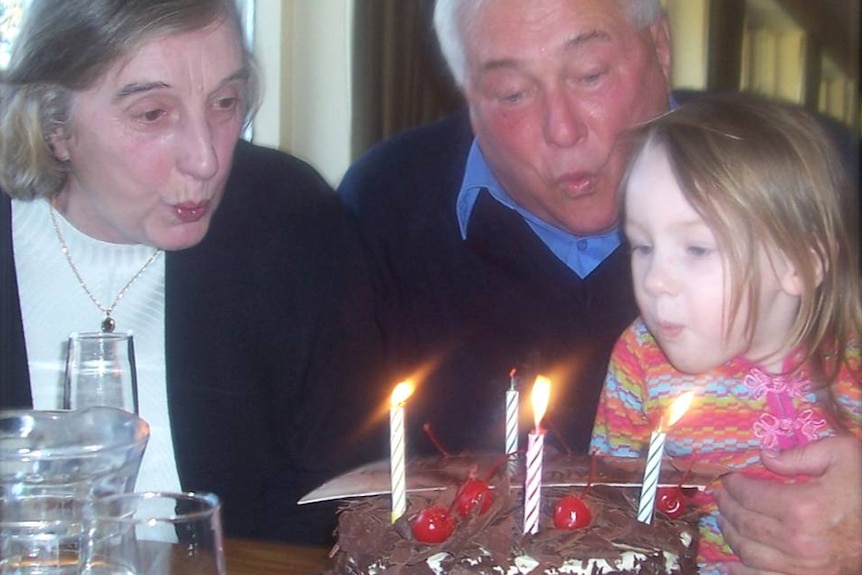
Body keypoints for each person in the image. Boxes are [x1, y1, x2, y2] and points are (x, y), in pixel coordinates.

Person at [338, 0, 861, 573]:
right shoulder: (383, 207)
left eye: (590, 75)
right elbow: (347, 475)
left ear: (660, 47)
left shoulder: (814, 177)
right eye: (512, 92)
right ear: (467, 95)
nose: (562, 129)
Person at [0, 0, 386, 545]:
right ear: (54, 123)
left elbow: (348, 490)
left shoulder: (288, 219)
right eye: (152, 114)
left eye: (225, 102)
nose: (206, 159)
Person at [589, 93, 861, 575]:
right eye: (642, 246)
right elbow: (605, 508)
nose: (654, 280)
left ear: (802, 264)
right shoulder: (640, 363)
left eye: (695, 248)